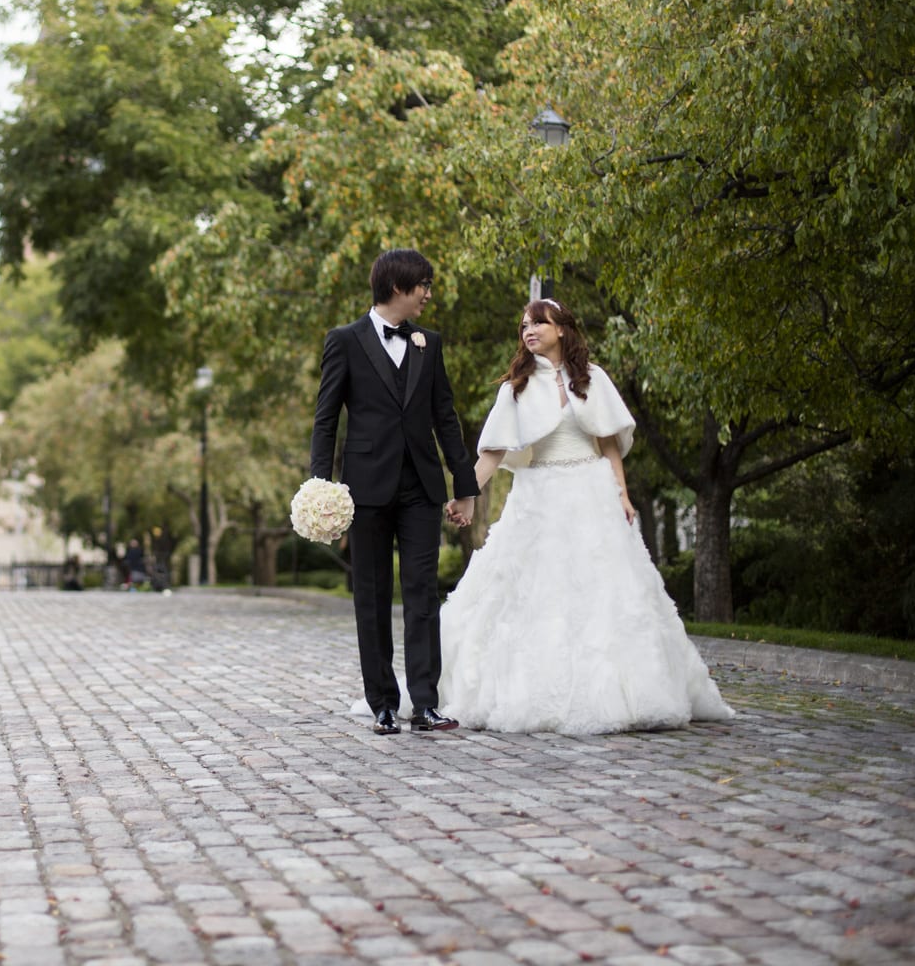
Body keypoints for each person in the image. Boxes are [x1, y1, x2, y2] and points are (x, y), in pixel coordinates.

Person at [436, 298, 734, 733]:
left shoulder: (592, 380)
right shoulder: (515, 388)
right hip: (538, 497)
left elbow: (608, 443)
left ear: (562, 329)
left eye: (539, 322)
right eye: (524, 325)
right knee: (534, 595)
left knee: (606, 594)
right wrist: (467, 495)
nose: (529, 331)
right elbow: (493, 452)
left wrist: (623, 494)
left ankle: (621, 691)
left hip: (591, 493)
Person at [311, 249, 480, 736]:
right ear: (398, 287)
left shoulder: (431, 344)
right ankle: (383, 703)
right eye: (423, 285)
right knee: (373, 594)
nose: (428, 294)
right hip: (364, 489)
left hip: (421, 487)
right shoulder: (344, 341)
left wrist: (464, 486)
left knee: (424, 595)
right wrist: (321, 486)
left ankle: (425, 703)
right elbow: (326, 420)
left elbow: (444, 417)